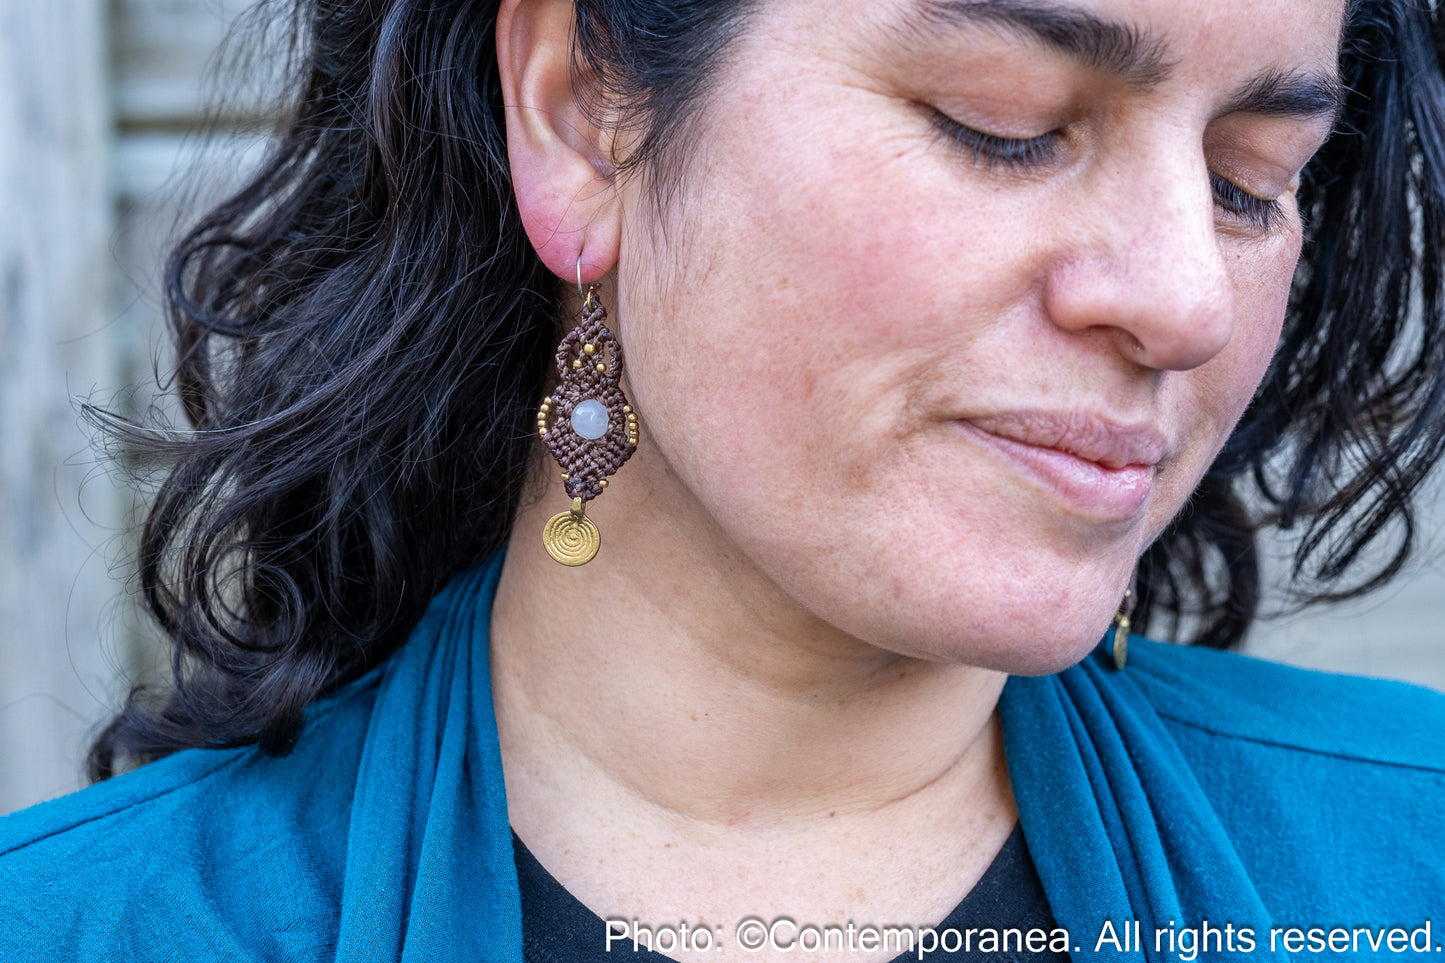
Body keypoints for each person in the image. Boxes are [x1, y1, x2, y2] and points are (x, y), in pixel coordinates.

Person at [3, 0, 1444, 959]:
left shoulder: (1401, 869)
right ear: (580, 117)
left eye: (1251, 180)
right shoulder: (78, 930)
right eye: (1004, 124)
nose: (1187, 298)